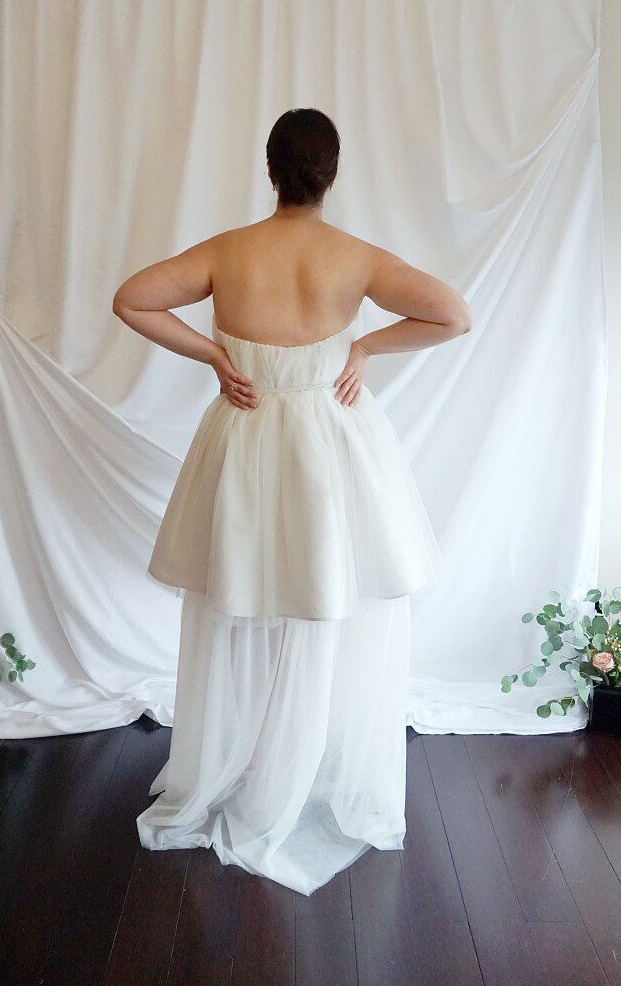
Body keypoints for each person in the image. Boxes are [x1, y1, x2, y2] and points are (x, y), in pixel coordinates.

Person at [113, 108, 471, 896]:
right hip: (328, 447)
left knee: (244, 597)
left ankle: (249, 762)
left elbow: (132, 299)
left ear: (270, 170)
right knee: (319, 599)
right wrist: (365, 344)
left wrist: (214, 354)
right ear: (330, 175)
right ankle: (292, 765)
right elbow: (454, 313)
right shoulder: (356, 256)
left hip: (245, 438)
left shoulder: (227, 250)